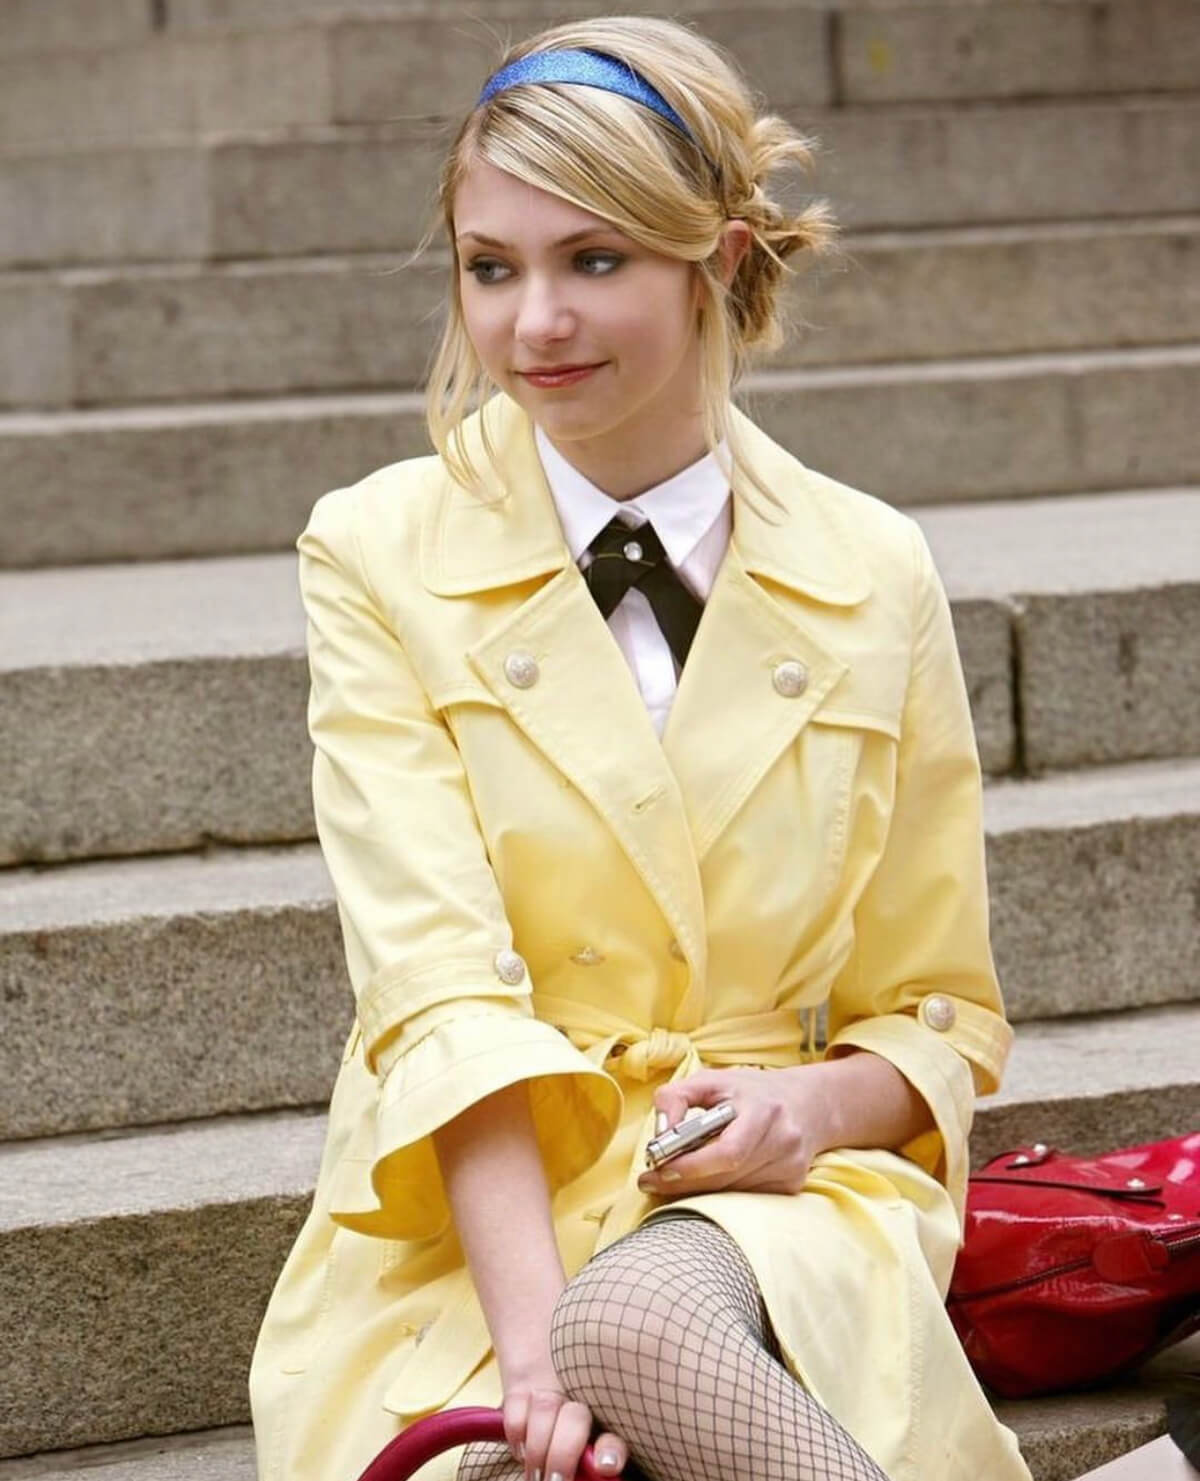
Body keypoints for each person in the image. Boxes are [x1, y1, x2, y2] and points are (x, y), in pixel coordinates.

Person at [249, 16, 1034, 1481]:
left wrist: (800, 1109)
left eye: (594, 260)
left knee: (644, 1323)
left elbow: (935, 1007)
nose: (534, 322)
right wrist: (533, 1348)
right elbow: (432, 987)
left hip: (779, 1208)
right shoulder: (375, 551)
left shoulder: (874, 567)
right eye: (492, 268)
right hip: (478, 1211)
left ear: (717, 261)